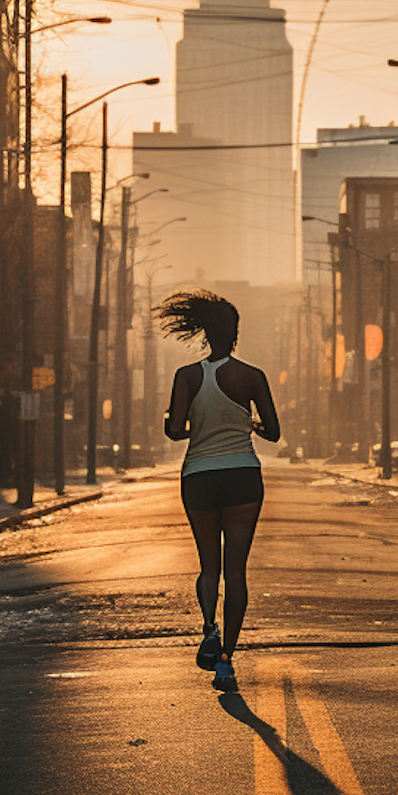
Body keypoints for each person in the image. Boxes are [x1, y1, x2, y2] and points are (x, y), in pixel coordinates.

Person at [160, 289, 280, 693]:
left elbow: (175, 431)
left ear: (205, 334)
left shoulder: (187, 376)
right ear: (236, 334)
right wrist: (246, 425)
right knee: (237, 572)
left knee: (208, 567)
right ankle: (226, 661)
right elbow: (274, 432)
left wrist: (194, 426)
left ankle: (208, 627)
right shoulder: (252, 376)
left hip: (199, 478)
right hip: (243, 475)